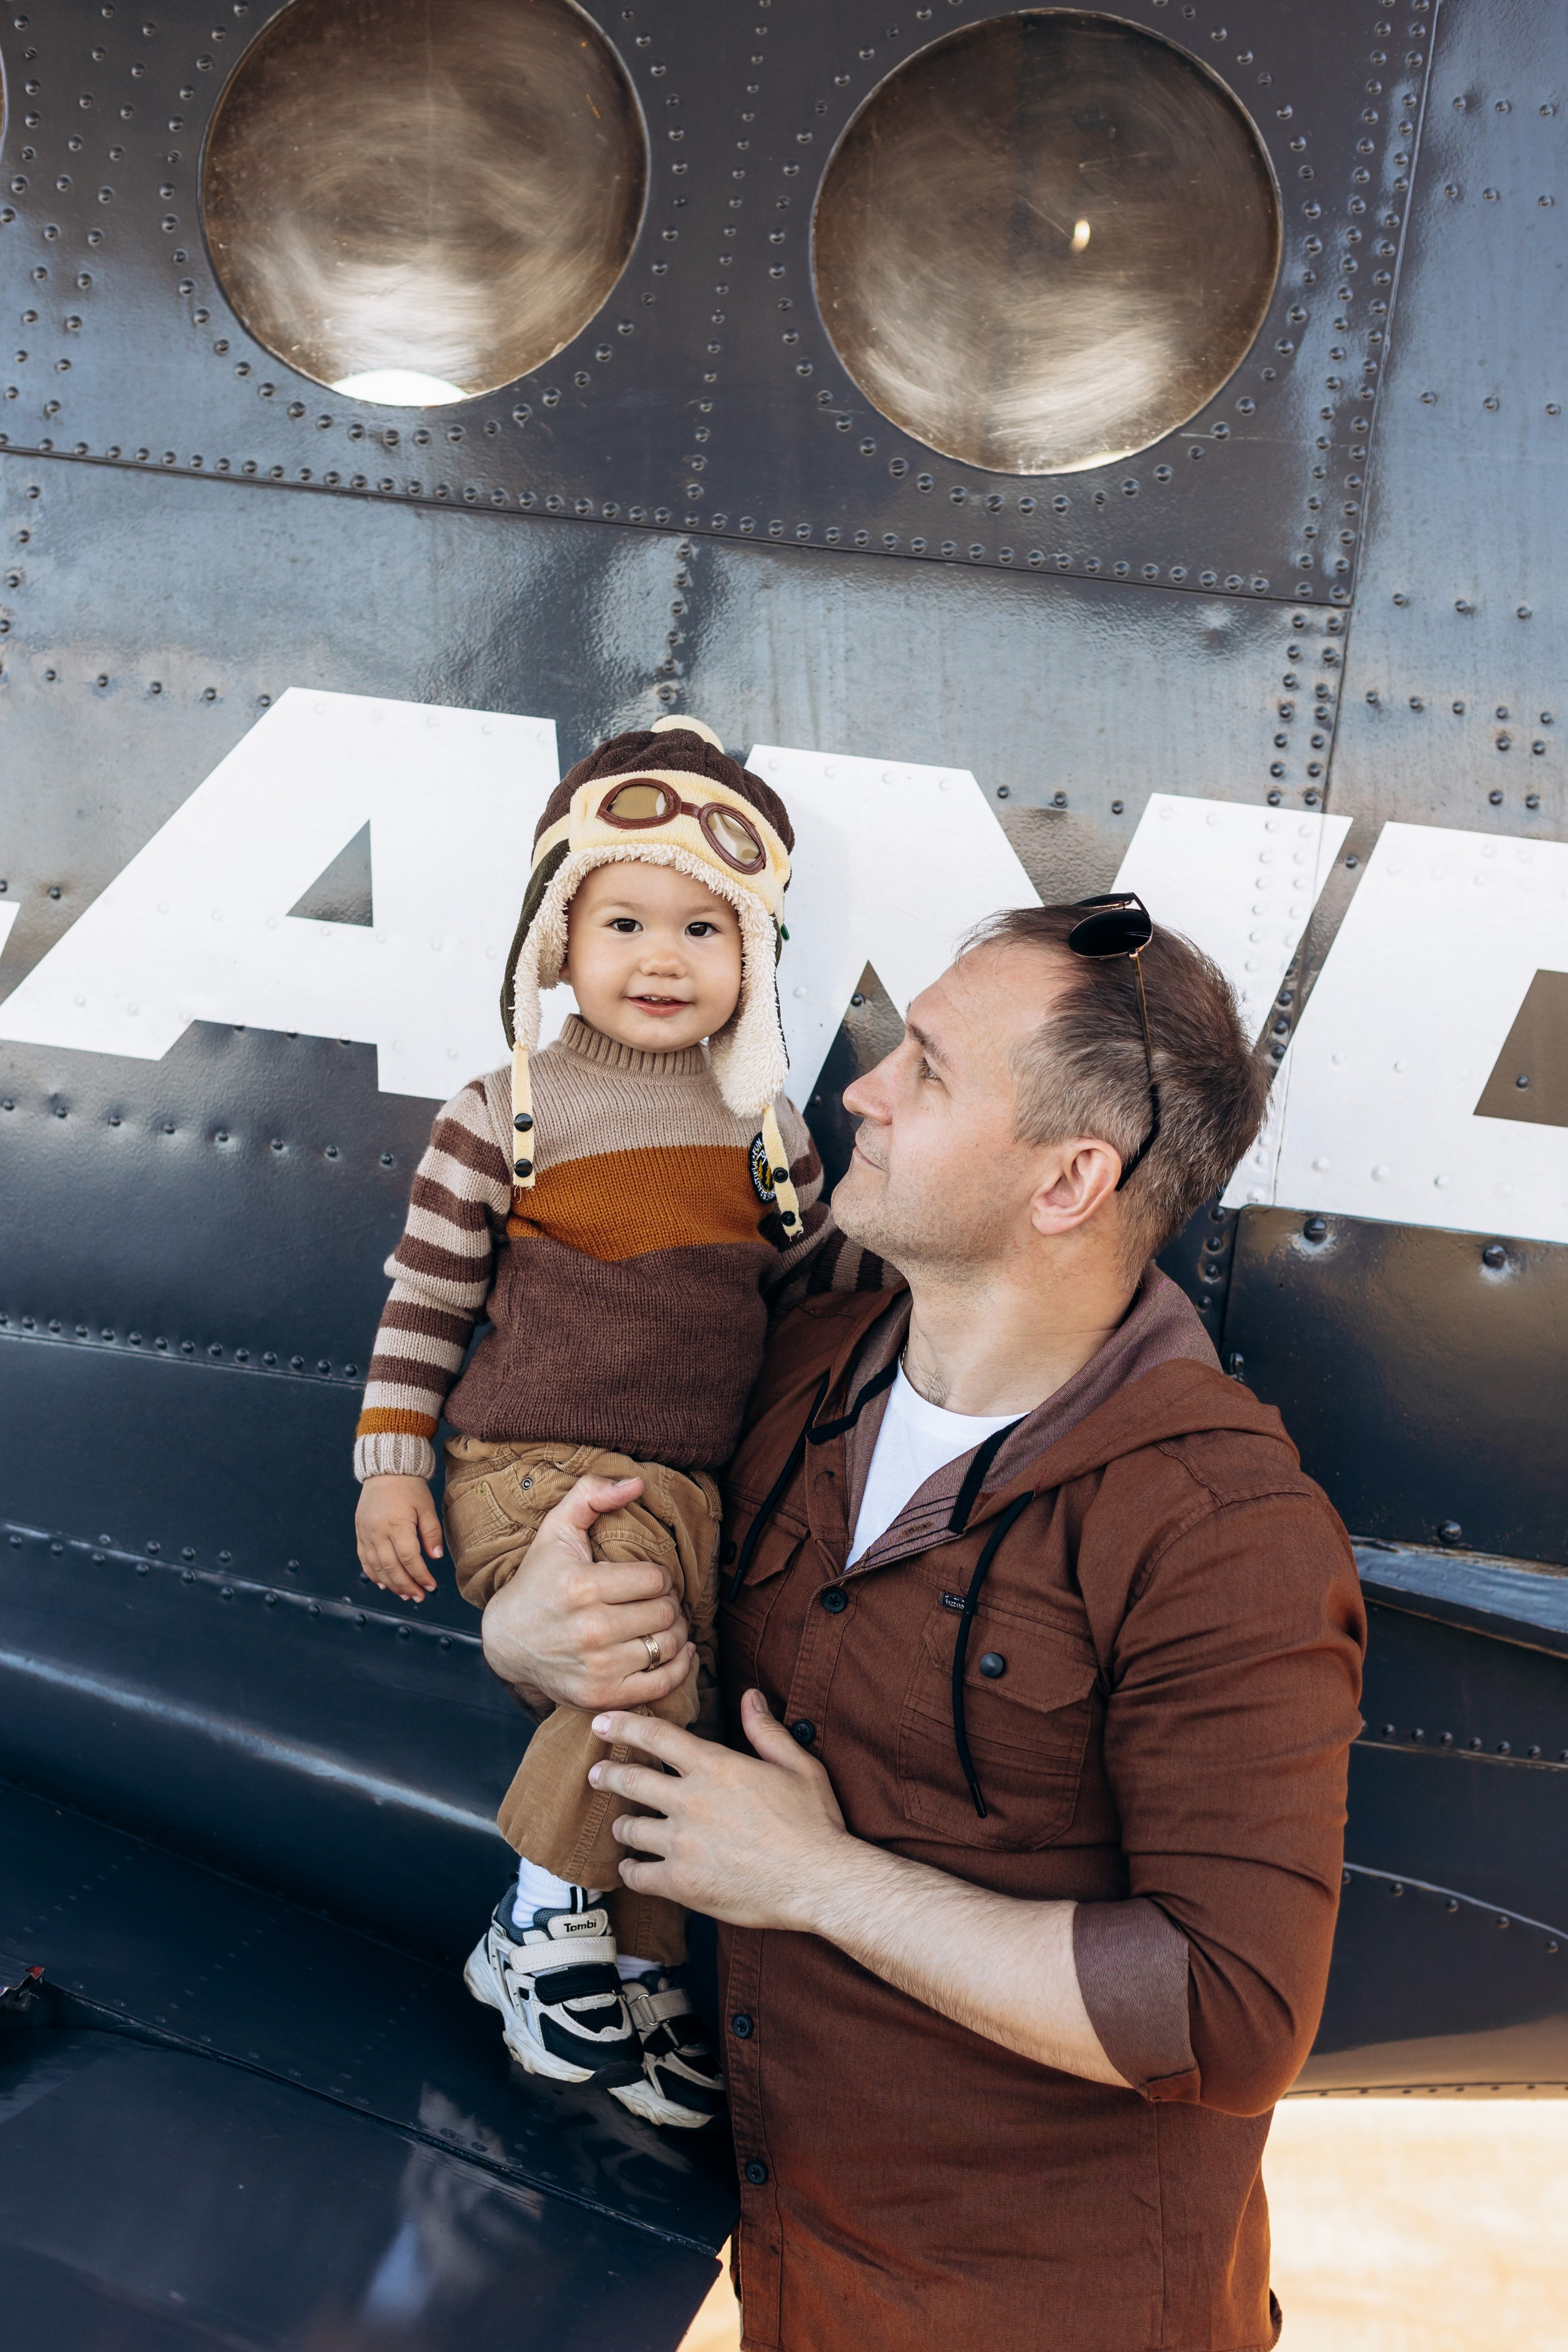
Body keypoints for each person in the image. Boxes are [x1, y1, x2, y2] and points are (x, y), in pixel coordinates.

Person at [478, 899, 1367, 2351]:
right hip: (798, 2290)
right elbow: (601, 1648)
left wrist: (819, 1882)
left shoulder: (1222, 1534)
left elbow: (1223, 2013)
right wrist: (524, 1636)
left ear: (1069, 1181)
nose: (859, 1089)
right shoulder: (798, 1375)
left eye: (929, 1071)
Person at [351, 717, 834, 2131]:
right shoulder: (506, 1111)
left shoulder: (768, 1131)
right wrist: (391, 1466)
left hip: (688, 1483)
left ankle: (636, 1961)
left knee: (675, 1693)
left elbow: (818, 1298)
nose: (664, 956)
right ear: (556, 939)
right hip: (529, 1468)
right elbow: (426, 1301)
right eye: (623, 919)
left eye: (706, 925)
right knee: (624, 1656)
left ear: (753, 956)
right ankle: (540, 1922)